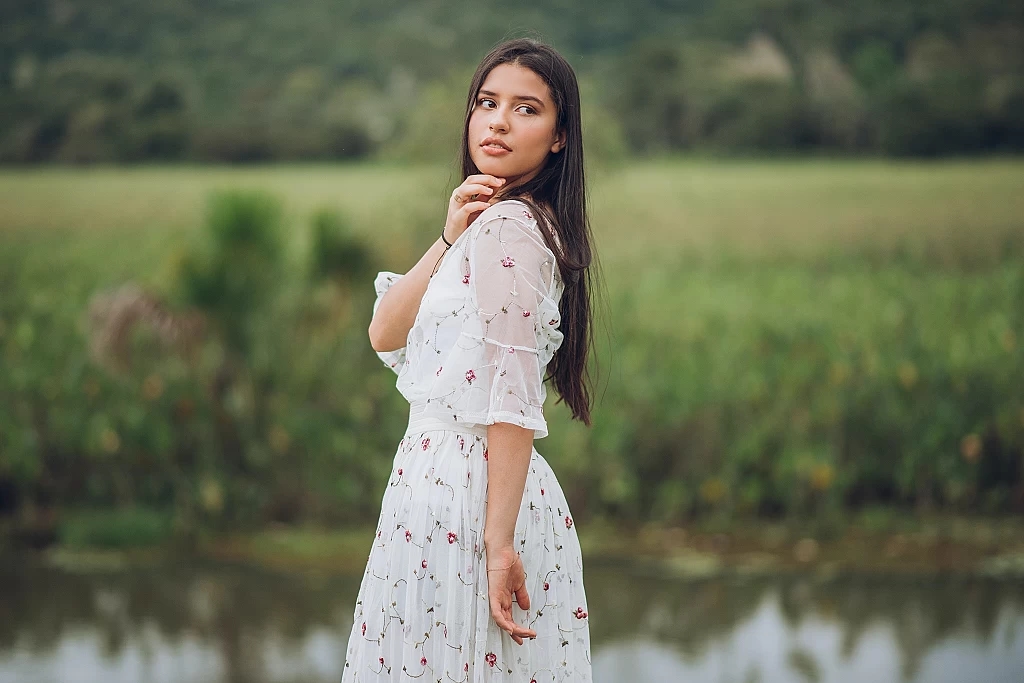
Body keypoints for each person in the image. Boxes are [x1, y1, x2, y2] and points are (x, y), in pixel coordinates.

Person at [342, 38, 596, 682]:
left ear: (560, 136)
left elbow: (510, 397)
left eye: (526, 108)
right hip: (437, 493)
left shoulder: (513, 228)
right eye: (487, 103)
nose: (499, 121)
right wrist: (449, 234)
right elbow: (383, 332)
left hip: (468, 496)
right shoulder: (489, 224)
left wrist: (498, 544)